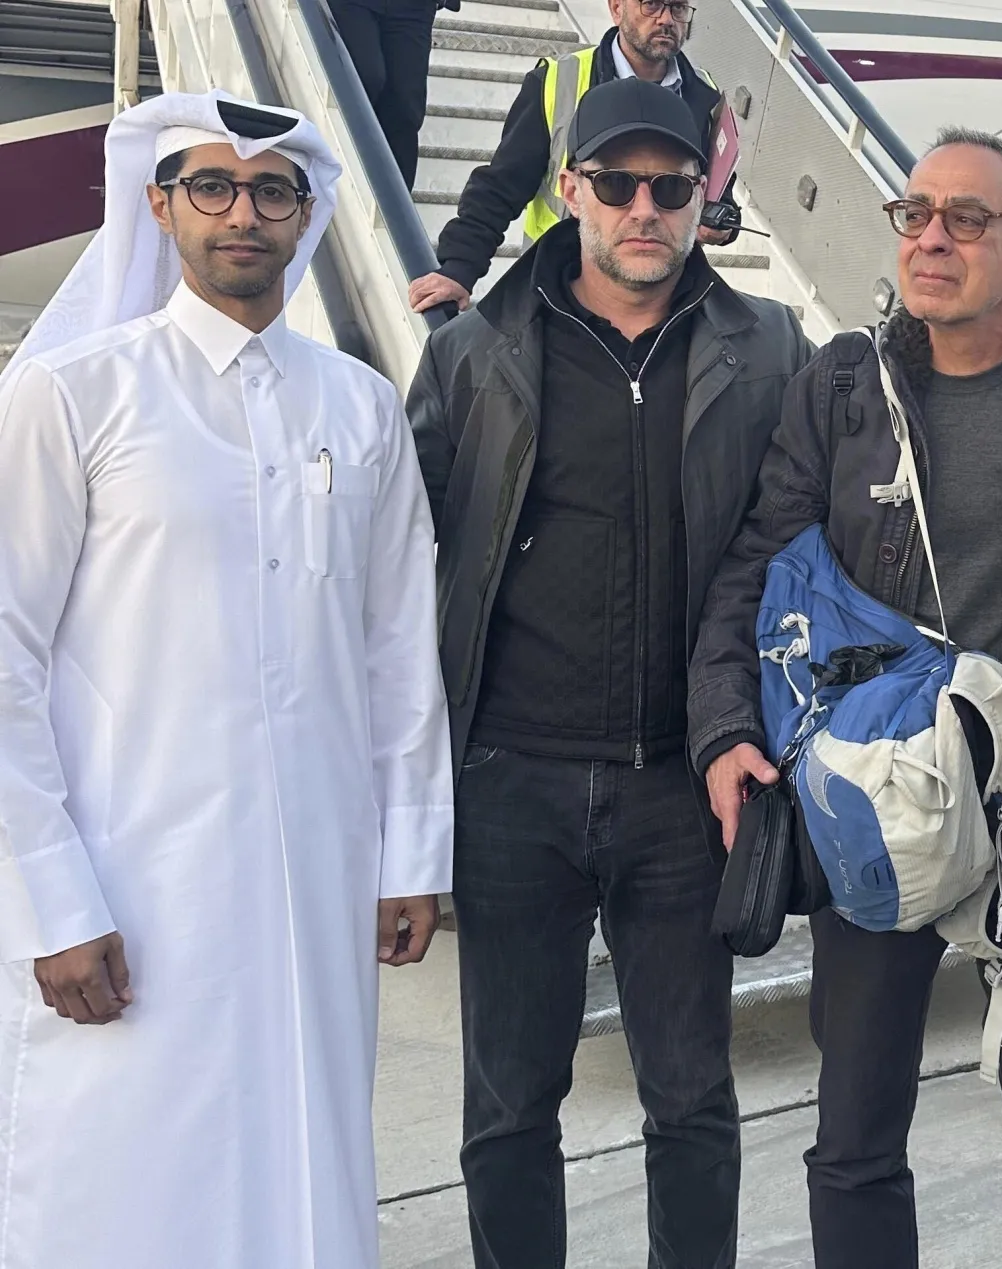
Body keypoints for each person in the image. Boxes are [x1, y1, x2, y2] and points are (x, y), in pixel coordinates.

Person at [689, 126, 1002, 1269]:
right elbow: (756, 566)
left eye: (967, 220)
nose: (932, 239)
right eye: (916, 215)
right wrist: (721, 731)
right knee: (853, 1129)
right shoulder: (844, 388)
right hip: (881, 798)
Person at [0, 90, 452, 1268]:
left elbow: (396, 641)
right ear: (160, 206)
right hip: (129, 885)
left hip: (313, 876)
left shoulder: (356, 405)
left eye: (270, 190)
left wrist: (408, 851)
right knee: (123, 1178)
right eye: (211, 185)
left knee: (304, 1165)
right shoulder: (73, 393)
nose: (240, 213)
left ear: (306, 216)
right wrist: (52, 900)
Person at [405, 76, 809, 1269]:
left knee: (690, 1102)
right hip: (511, 786)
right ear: (567, 189)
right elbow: (390, 567)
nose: (644, 208)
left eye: (670, 186)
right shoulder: (472, 354)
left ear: (701, 199)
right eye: (618, 183)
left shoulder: (772, 350)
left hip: (687, 791)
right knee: (508, 1108)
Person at [408, 0, 738, 314]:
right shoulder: (556, 82)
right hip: (560, 289)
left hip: (661, 298)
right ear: (616, 7)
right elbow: (500, 187)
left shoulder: (704, 95)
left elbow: (718, 191)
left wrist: (722, 223)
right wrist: (459, 269)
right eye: (650, 4)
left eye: (678, 7)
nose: (666, 19)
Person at [331, 0, 444, 189]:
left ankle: (396, 212)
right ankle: (344, 177)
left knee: (405, 108)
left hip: (414, 8)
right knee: (365, 78)